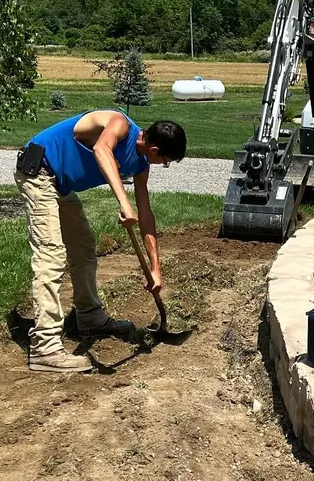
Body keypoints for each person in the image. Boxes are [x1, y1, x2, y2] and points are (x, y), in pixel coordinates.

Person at [14, 110, 187, 373]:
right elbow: (102, 150)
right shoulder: (119, 124)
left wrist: (156, 268)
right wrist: (123, 202)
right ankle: (45, 348)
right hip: (38, 172)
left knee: (83, 249)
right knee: (51, 256)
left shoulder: (140, 165)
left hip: (60, 185)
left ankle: (90, 317)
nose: (163, 166)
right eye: (165, 161)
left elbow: (146, 215)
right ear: (154, 149)